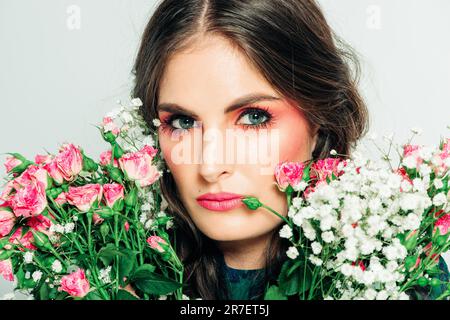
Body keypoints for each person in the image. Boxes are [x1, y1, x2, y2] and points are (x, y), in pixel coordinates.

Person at [131, 0, 447, 300]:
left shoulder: (402, 273)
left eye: (253, 117)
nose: (210, 167)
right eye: (183, 122)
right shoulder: (112, 272)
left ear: (320, 120)